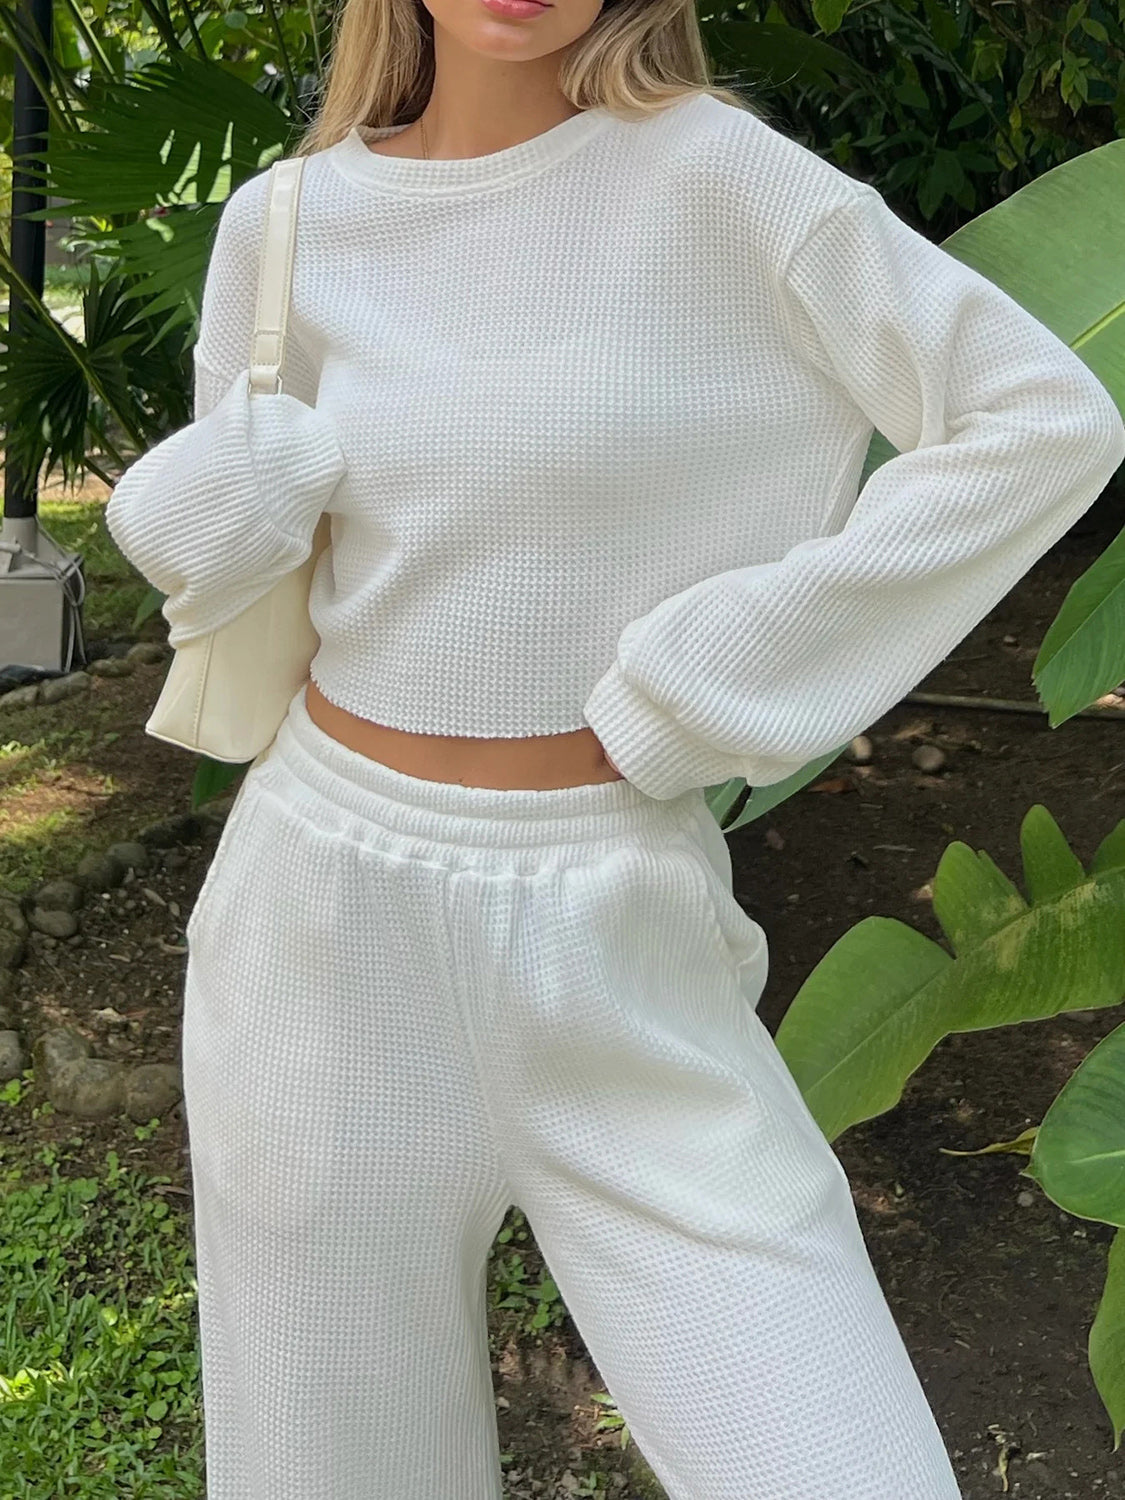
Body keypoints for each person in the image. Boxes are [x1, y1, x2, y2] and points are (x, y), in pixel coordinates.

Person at [104, 0, 1125, 1495]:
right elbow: (239, 556)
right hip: (317, 913)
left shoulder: (725, 181)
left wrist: (704, 685)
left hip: (614, 911)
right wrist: (193, 509)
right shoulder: (289, 221)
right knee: (327, 1464)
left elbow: (1039, 421)